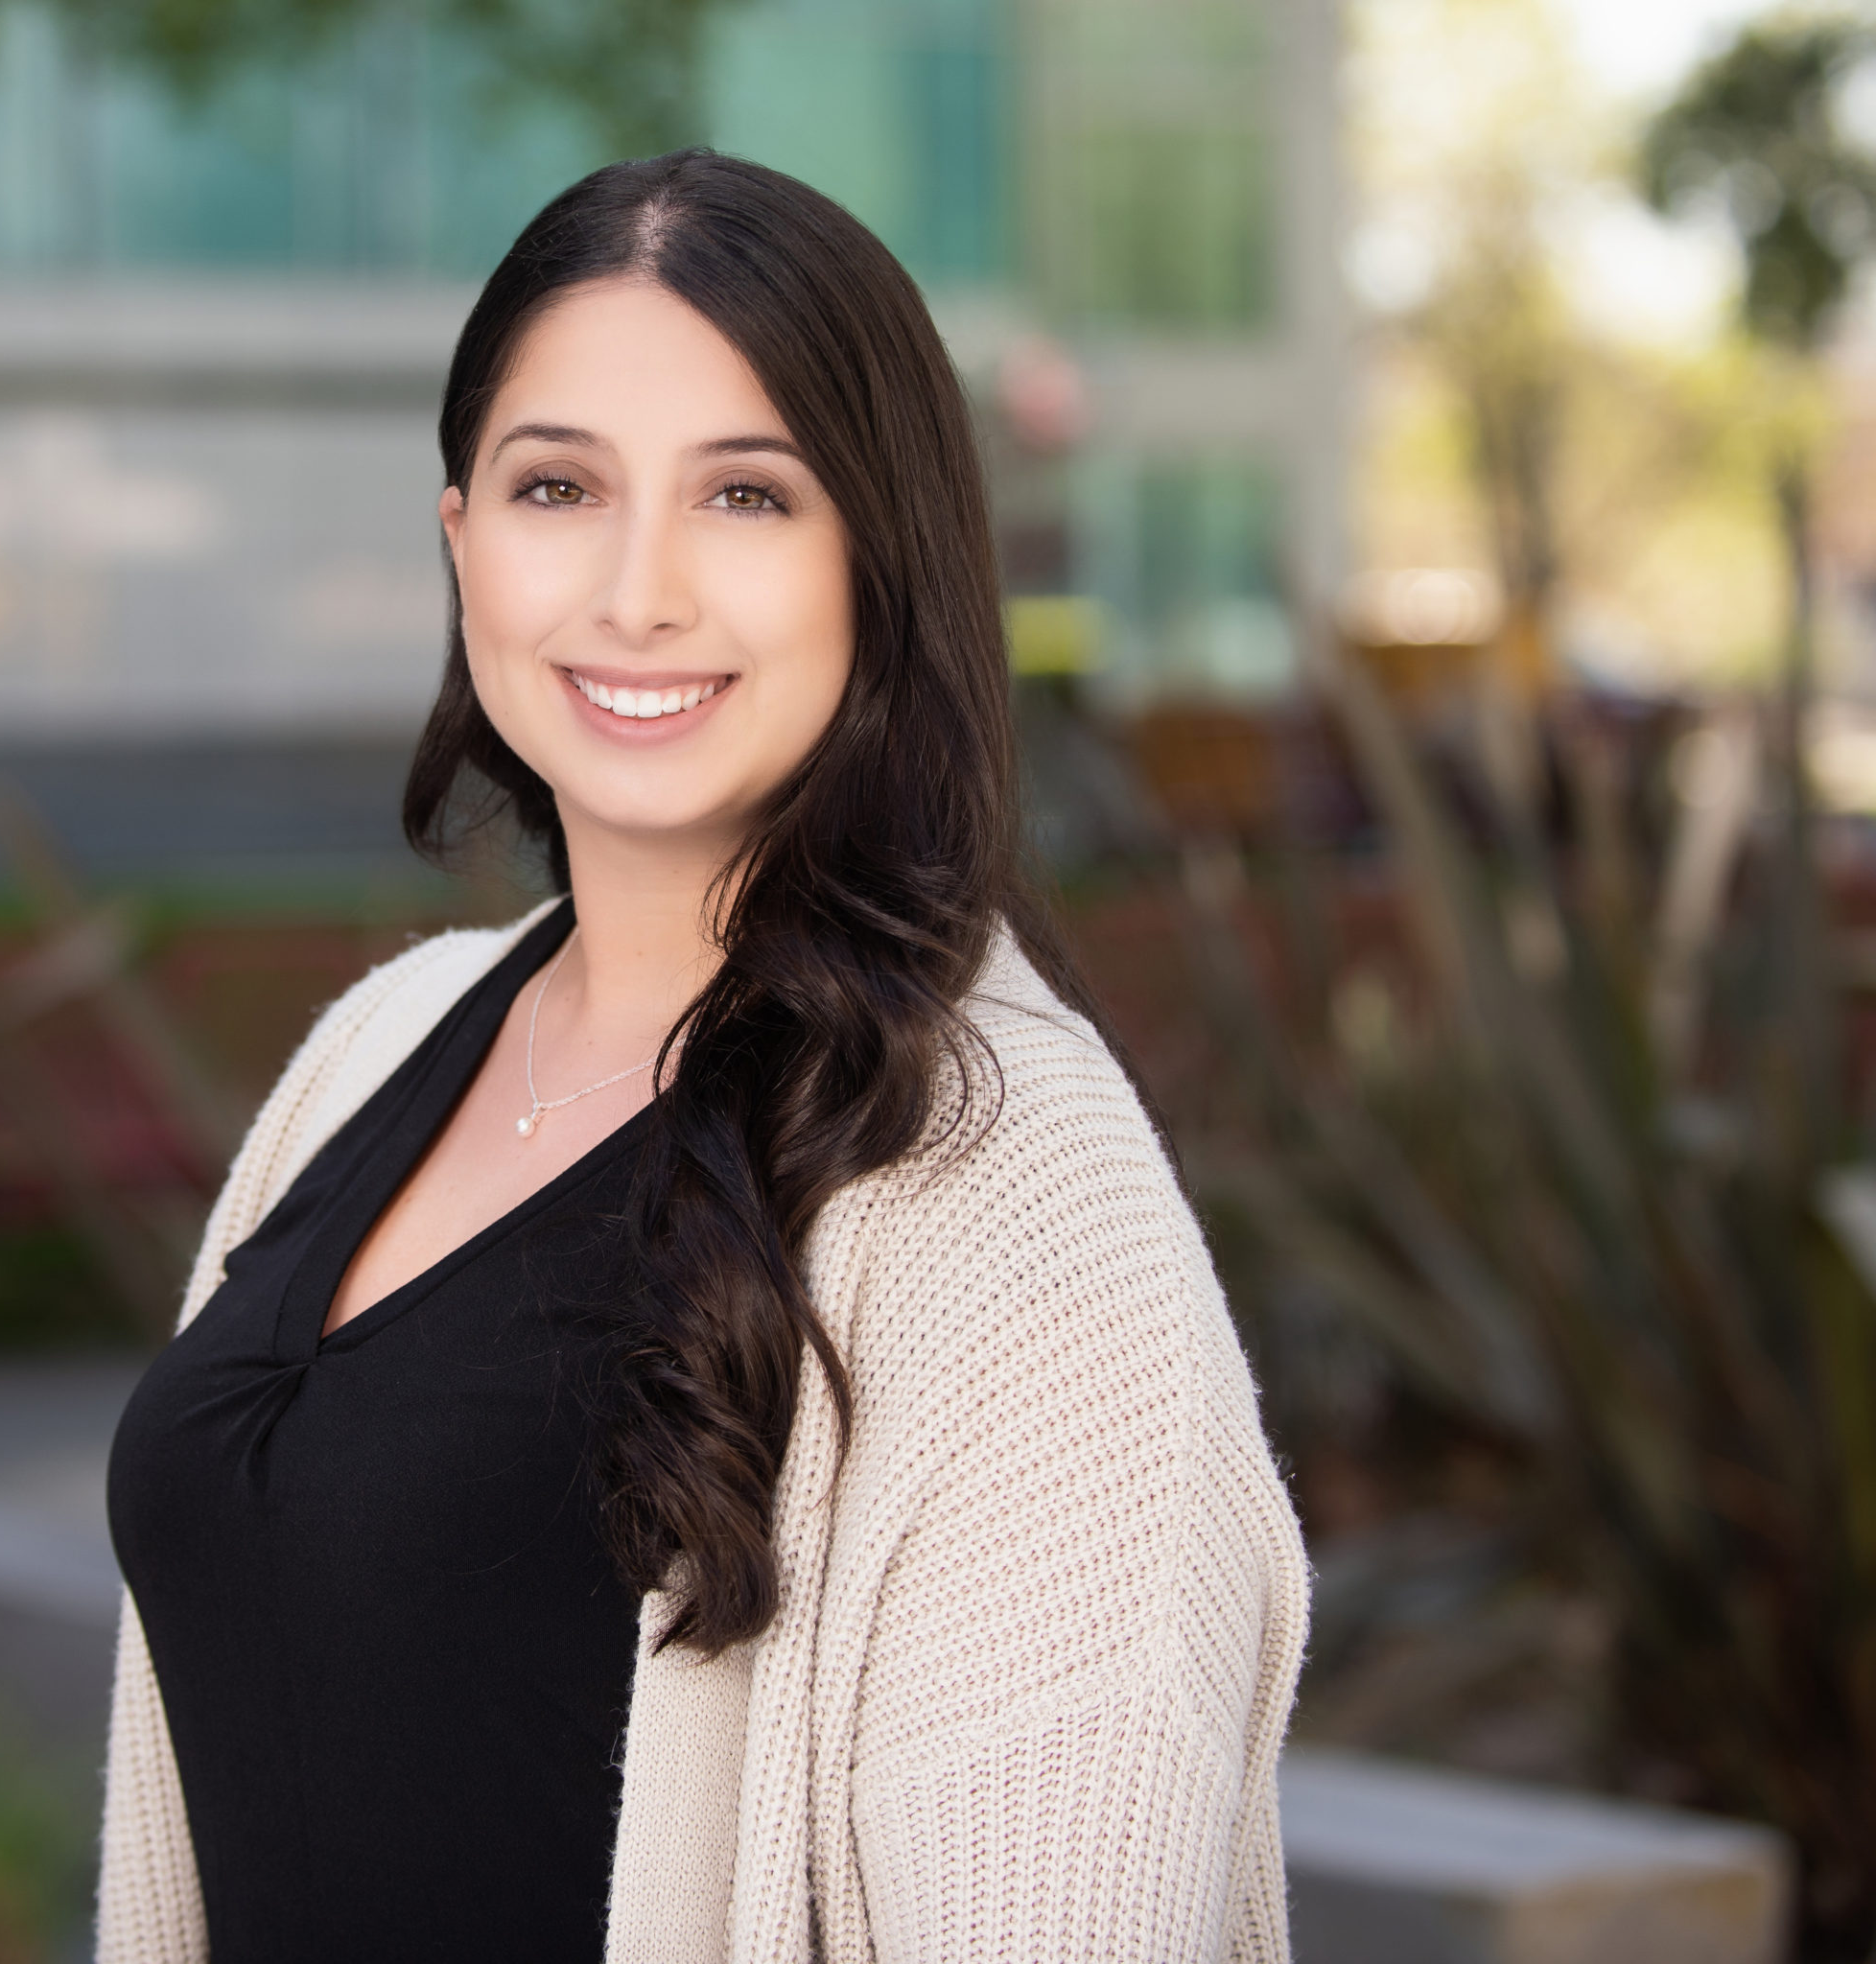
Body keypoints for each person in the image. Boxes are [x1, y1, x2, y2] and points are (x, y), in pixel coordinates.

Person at [97, 149, 1307, 1963]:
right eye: (559, 486)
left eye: (747, 494)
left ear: (880, 560)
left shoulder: (1008, 1185)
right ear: (461, 541)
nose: (638, 590)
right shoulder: (374, 1052)